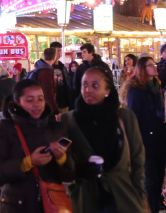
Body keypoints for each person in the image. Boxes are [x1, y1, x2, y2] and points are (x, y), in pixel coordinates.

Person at [62, 65, 146, 213]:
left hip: (123, 194)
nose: (88, 90)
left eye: (95, 85)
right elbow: (65, 160)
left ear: (107, 90)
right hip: (86, 195)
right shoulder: (69, 120)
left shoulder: (124, 117)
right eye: (84, 85)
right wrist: (79, 171)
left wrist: (140, 193)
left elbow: (137, 158)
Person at [0, 79, 75, 213]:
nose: (37, 105)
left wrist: (61, 158)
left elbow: (69, 175)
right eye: (30, 100)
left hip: (51, 203)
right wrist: (27, 162)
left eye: (40, 99)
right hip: (16, 205)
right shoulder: (5, 129)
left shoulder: (56, 128)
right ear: (17, 102)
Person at [125, 55, 166, 211]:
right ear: (143, 69)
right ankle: (151, 208)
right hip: (145, 140)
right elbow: (132, 118)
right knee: (150, 180)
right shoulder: (136, 92)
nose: (154, 66)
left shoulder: (157, 87)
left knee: (158, 178)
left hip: (160, 138)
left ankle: (155, 203)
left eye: (154, 64)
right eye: (150, 65)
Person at [32, 48, 62, 115]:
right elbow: (48, 93)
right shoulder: (46, 72)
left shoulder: (39, 68)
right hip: (45, 108)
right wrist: (55, 110)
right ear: (54, 58)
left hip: (39, 104)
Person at [48, 42, 72, 111]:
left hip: (63, 101)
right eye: (57, 51)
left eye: (60, 51)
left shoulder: (62, 67)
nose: (59, 53)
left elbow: (67, 84)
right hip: (52, 102)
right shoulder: (48, 66)